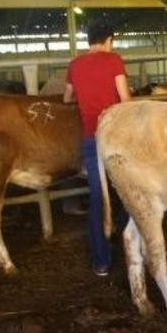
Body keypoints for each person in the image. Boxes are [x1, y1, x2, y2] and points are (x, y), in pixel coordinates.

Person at [63, 20, 131, 276]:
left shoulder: (75, 64)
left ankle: (101, 262)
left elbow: (66, 98)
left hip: (91, 137)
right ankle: (129, 245)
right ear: (109, 39)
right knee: (125, 192)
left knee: (96, 197)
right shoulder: (113, 60)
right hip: (116, 137)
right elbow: (125, 100)